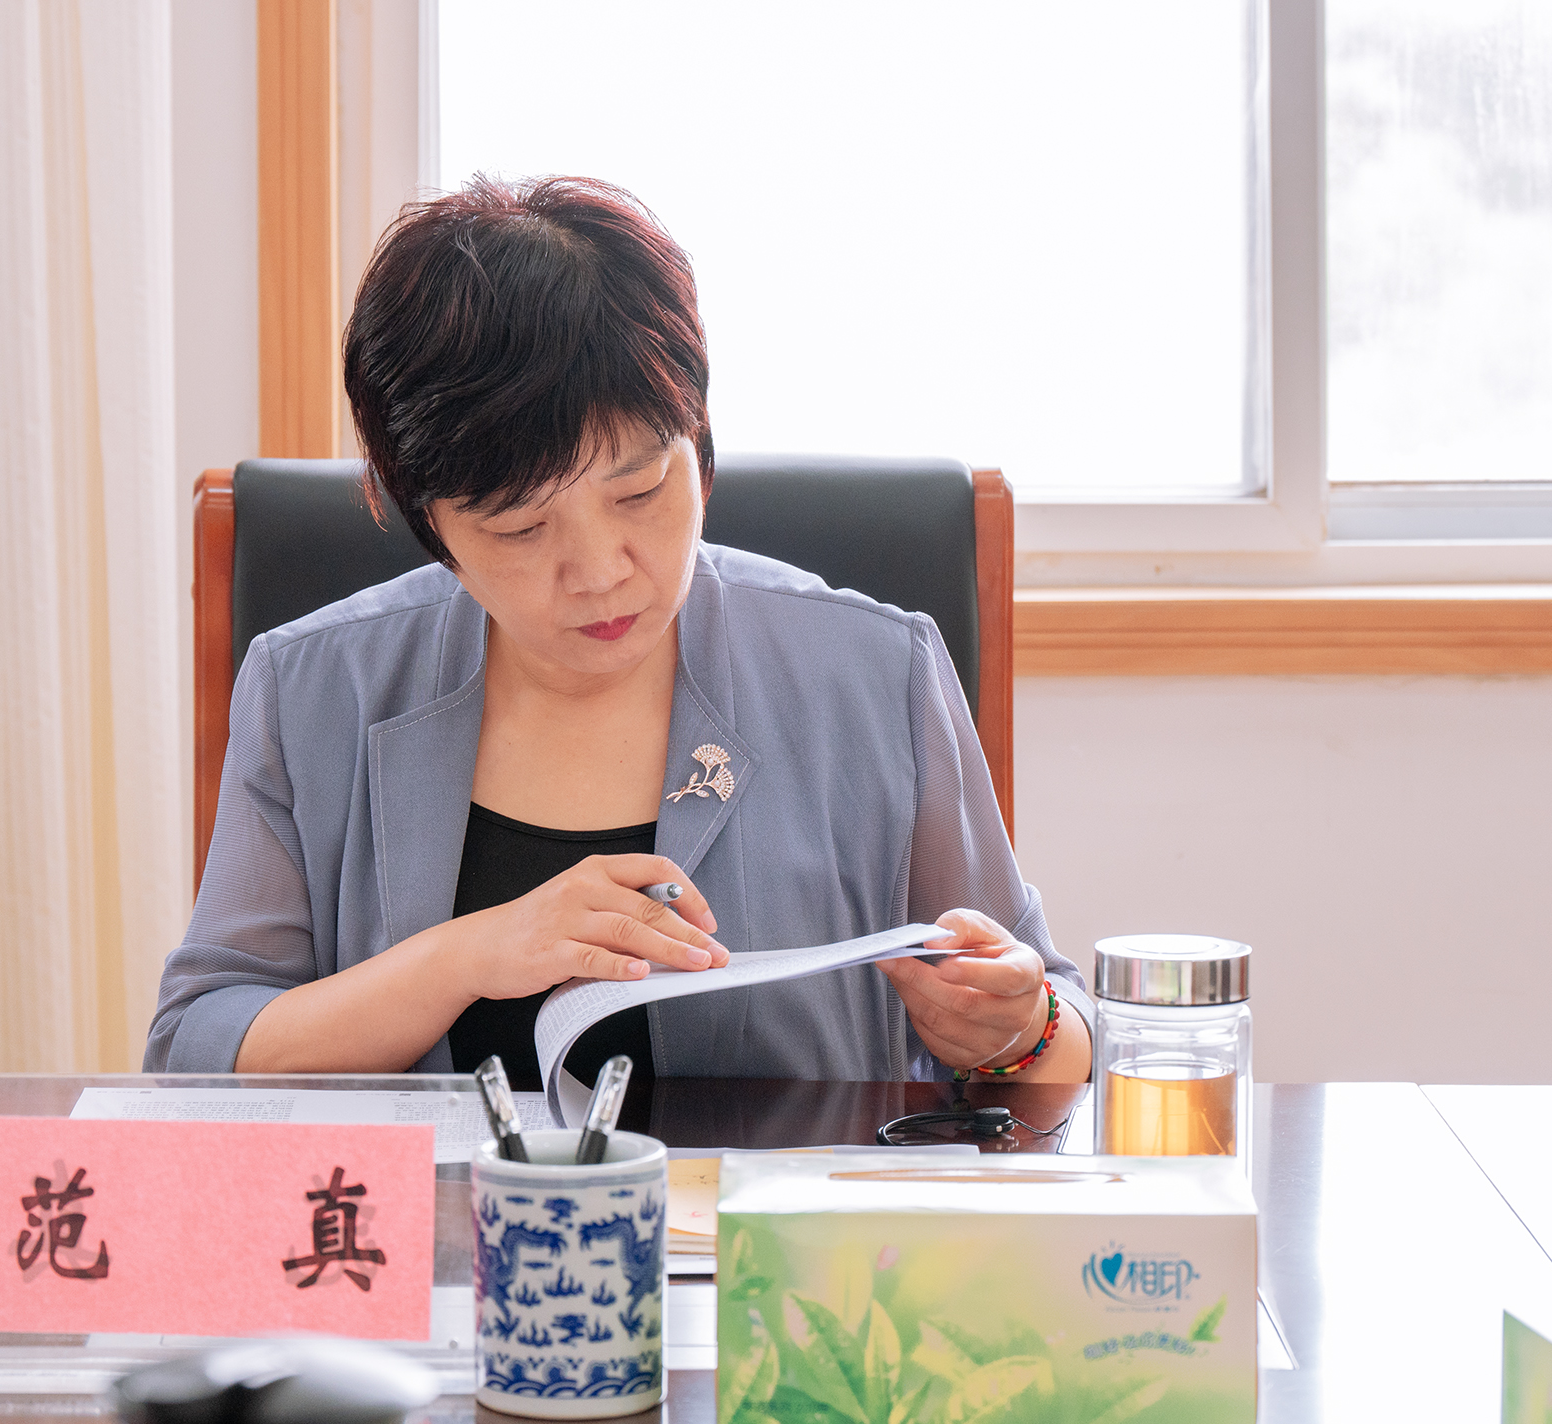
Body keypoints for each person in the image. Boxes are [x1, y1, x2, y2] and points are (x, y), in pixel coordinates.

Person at [145, 175, 1092, 1090]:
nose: (599, 571)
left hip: (780, 1207)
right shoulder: (311, 690)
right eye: (521, 528)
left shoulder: (876, 674)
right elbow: (195, 1048)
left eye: (639, 491)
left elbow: (1059, 1022)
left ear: (700, 445)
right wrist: (464, 957)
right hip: (443, 1209)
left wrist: (1017, 1029)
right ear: (432, 528)